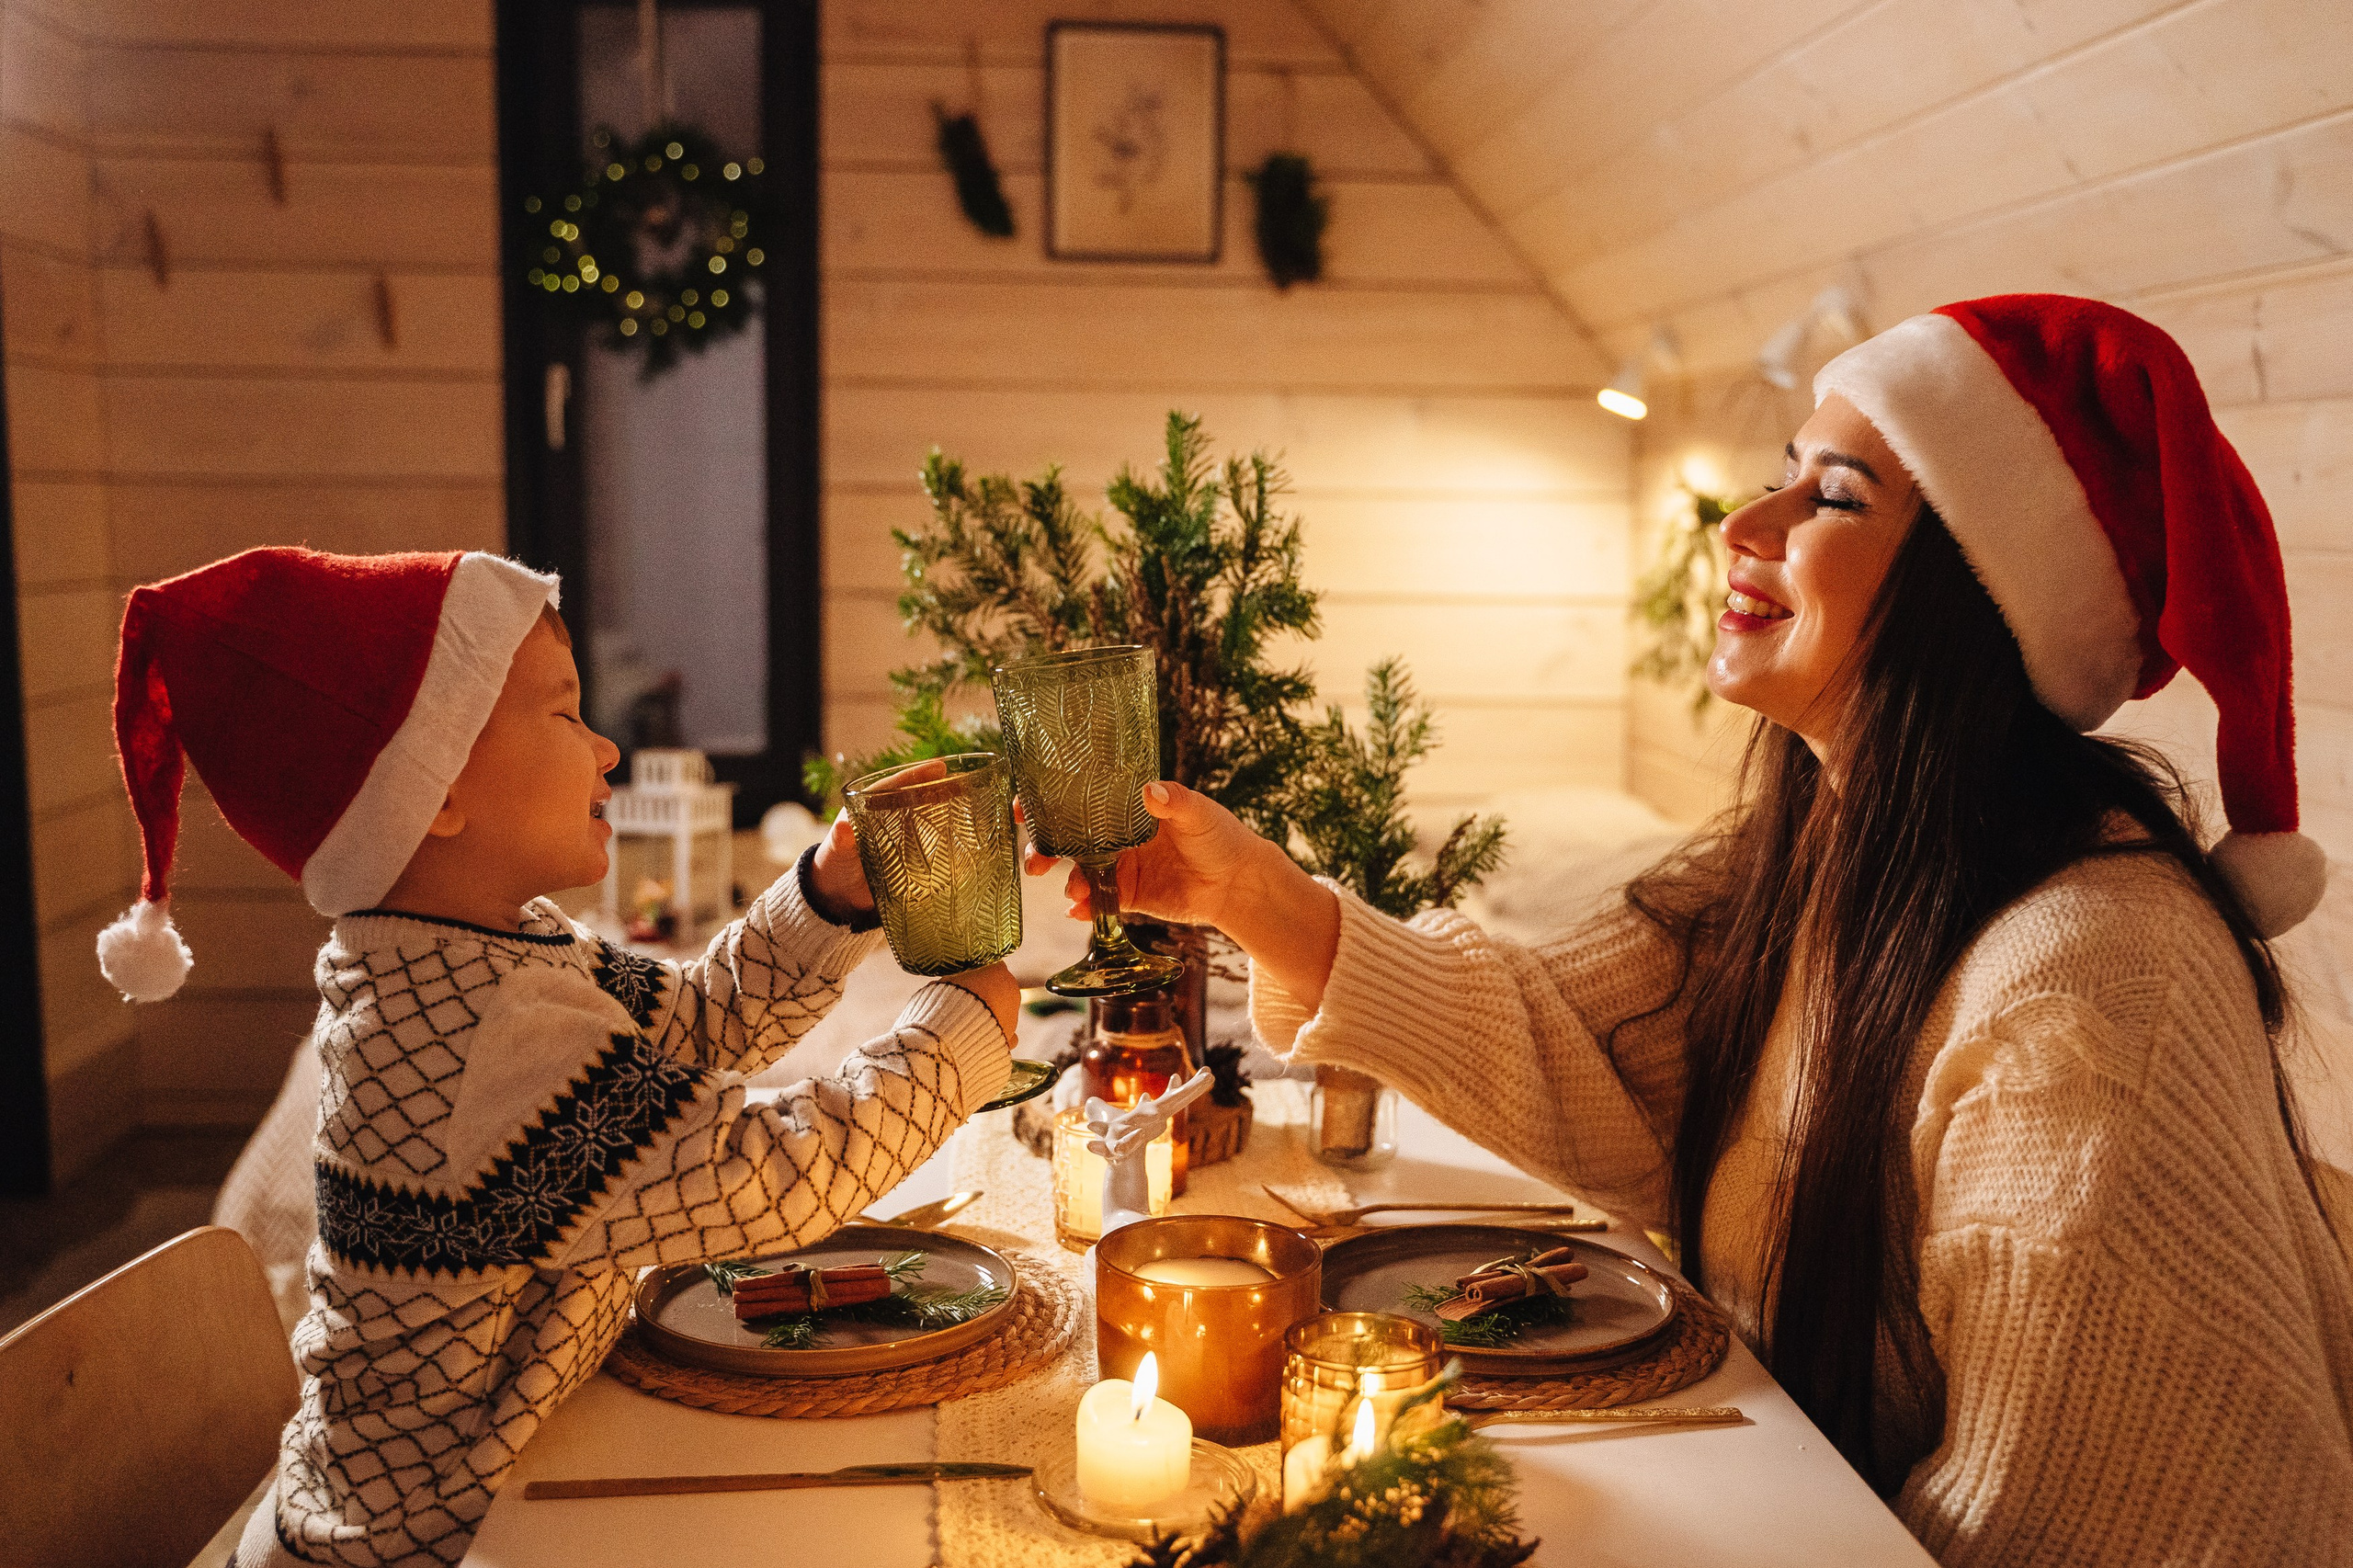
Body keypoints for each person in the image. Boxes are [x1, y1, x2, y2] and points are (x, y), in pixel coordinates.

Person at [1033, 296, 2353, 1564]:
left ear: (1980, 597)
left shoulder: (2084, 987)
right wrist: (1252, 895)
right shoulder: (1833, 851)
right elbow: (1574, 1044)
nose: (1745, 521)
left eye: (1832, 496)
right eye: (1787, 472)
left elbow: (2063, 1527)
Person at [95, 548, 1018, 1568]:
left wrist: (829, 895)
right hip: (416, 1548)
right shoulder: (469, 1043)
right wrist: (959, 1031)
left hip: (510, 1481)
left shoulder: (489, 951)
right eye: (566, 713)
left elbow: (699, 1023)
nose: (608, 747)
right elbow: (775, 1179)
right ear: (435, 787)